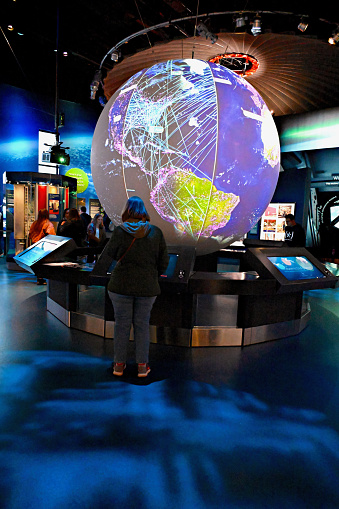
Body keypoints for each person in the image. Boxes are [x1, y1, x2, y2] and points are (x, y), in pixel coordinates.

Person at [106, 196, 169, 378]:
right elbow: (163, 261)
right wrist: (151, 275)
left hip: (120, 286)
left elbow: (110, 254)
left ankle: (119, 365)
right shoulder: (156, 232)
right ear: (144, 212)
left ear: (127, 211)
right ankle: (142, 366)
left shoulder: (119, 231)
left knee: (121, 326)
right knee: (142, 326)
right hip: (147, 288)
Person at [29, 209, 56, 285]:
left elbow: (30, 234)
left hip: (34, 245)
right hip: (43, 246)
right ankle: (42, 278)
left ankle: (39, 278)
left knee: (37, 262)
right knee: (43, 263)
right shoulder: (48, 224)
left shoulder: (35, 223)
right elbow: (52, 235)